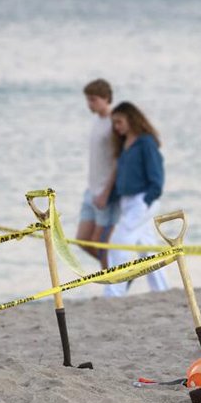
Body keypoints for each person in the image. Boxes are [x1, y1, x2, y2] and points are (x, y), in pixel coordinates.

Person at [103, 101, 169, 297]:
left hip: (142, 200)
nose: (117, 127)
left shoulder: (146, 143)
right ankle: (162, 291)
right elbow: (124, 177)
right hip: (127, 201)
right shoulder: (125, 145)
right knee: (147, 249)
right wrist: (109, 197)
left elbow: (156, 176)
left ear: (131, 119)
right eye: (114, 123)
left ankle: (114, 292)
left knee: (118, 242)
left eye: (119, 122)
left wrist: (147, 200)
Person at [77, 79, 118, 268]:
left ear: (106, 98)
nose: (89, 104)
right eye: (87, 99)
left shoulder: (114, 123)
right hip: (91, 189)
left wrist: (106, 192)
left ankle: (113, 284)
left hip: (105, 192)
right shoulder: (97, 121)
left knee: (101, 242)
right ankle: (119, 273)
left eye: (93, 100)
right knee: (83, 240)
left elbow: (119, 161)